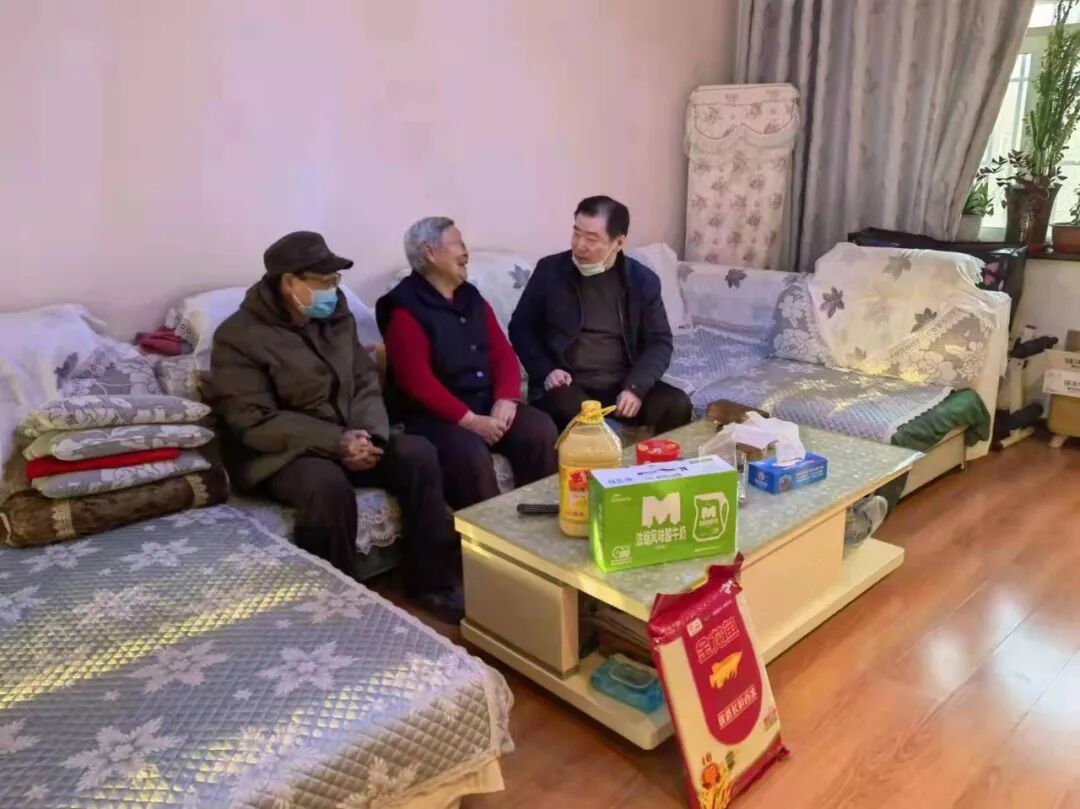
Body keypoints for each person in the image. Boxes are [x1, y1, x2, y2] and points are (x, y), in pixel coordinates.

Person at [210, 231, 463, 619]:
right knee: (325, 485)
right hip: (283, 452)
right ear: (289, 282)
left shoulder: (336, 316)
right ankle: (338, 604)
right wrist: (336, 441)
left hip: (351, 434)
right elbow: (253, 420)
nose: (333, 289)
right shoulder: (238, 337)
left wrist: (368, 436)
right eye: (324, 281)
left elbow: (364, 380)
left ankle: (432, 583)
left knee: (418, 454)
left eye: (336, 279)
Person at [376, 217, 557, 507]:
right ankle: (491, 532)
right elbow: (416, 381)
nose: (465, 252)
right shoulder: (404, 308)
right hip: (435, 418)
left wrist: (506, 398)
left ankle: (542, 515)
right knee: (469, 452)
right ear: (430, 252)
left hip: (484, 401)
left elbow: (502, 353)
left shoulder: (470, 296)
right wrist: (470, 420)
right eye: (457, 244)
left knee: (538, 428)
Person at [509, 195, 693, 434]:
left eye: (591, 238)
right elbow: (520, 328)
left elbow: (660, 342)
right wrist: (546, 371)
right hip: (568, 385)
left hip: (621, 382)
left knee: (676, 404)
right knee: (573, 410)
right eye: (576, 233)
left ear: (618, 243)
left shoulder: (642, 281)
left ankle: (653, 460)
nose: (579, 245)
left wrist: (635, 388)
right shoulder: (550, 271)